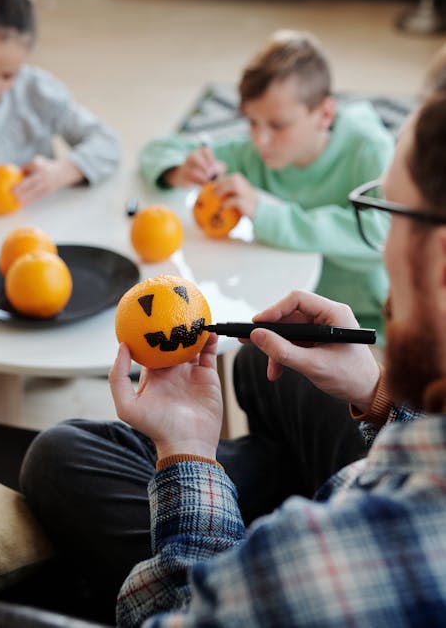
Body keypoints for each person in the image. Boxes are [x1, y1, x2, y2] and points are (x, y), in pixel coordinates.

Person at [112, 90, 446, 626]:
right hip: (368, 466)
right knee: (257, 367)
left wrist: (188, 452)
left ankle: (243, 495)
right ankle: (265, 478)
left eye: (385, 213)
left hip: (287, 552)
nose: (383, 248)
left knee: (64, 455)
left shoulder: (323, 562)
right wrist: (377, 395)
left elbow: (169, 613)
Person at [0, 0, 122, 417]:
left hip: (33, 247)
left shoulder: (37, 92)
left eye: (7, 75)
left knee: (67, 316)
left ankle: (40, 364)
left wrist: (64, 169)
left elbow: (107, 143)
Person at [138, 29, 394, 338]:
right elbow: (157, 150)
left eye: (277, 125)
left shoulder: (368, 149)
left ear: (325, 114)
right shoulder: (253, 153)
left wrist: (266, 214)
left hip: (361, 321)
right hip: (282, 308)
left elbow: (384, 233)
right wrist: (178, 169)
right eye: (252, 122)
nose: (261, 139)